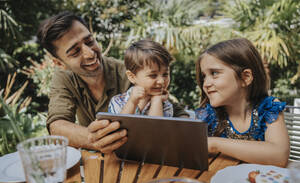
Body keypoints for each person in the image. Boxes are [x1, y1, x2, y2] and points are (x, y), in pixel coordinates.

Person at [37, 12, 187, 153]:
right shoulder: (64, 77)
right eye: (75, 52)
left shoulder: (129, 74)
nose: (90, 53)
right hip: (101, 163)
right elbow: (57, 125)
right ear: (59, 63)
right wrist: (93, 139)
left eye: (89, 41)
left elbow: (179, 114)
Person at [194, 38, 290, 167]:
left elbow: (279, 156)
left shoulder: (268, 108)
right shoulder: (208, 114)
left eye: (214, 73)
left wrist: (214, 144)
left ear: (245, 77)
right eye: (204, 76)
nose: (206, 84)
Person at [108, 39, 174, 117]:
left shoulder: (165, 106)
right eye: (153, 75)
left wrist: (156, 100)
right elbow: (119, 125)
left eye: (165, 74)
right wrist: (132, 102)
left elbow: (156, 128)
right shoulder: (117, 101)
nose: (161, 81)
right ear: (132, 77)